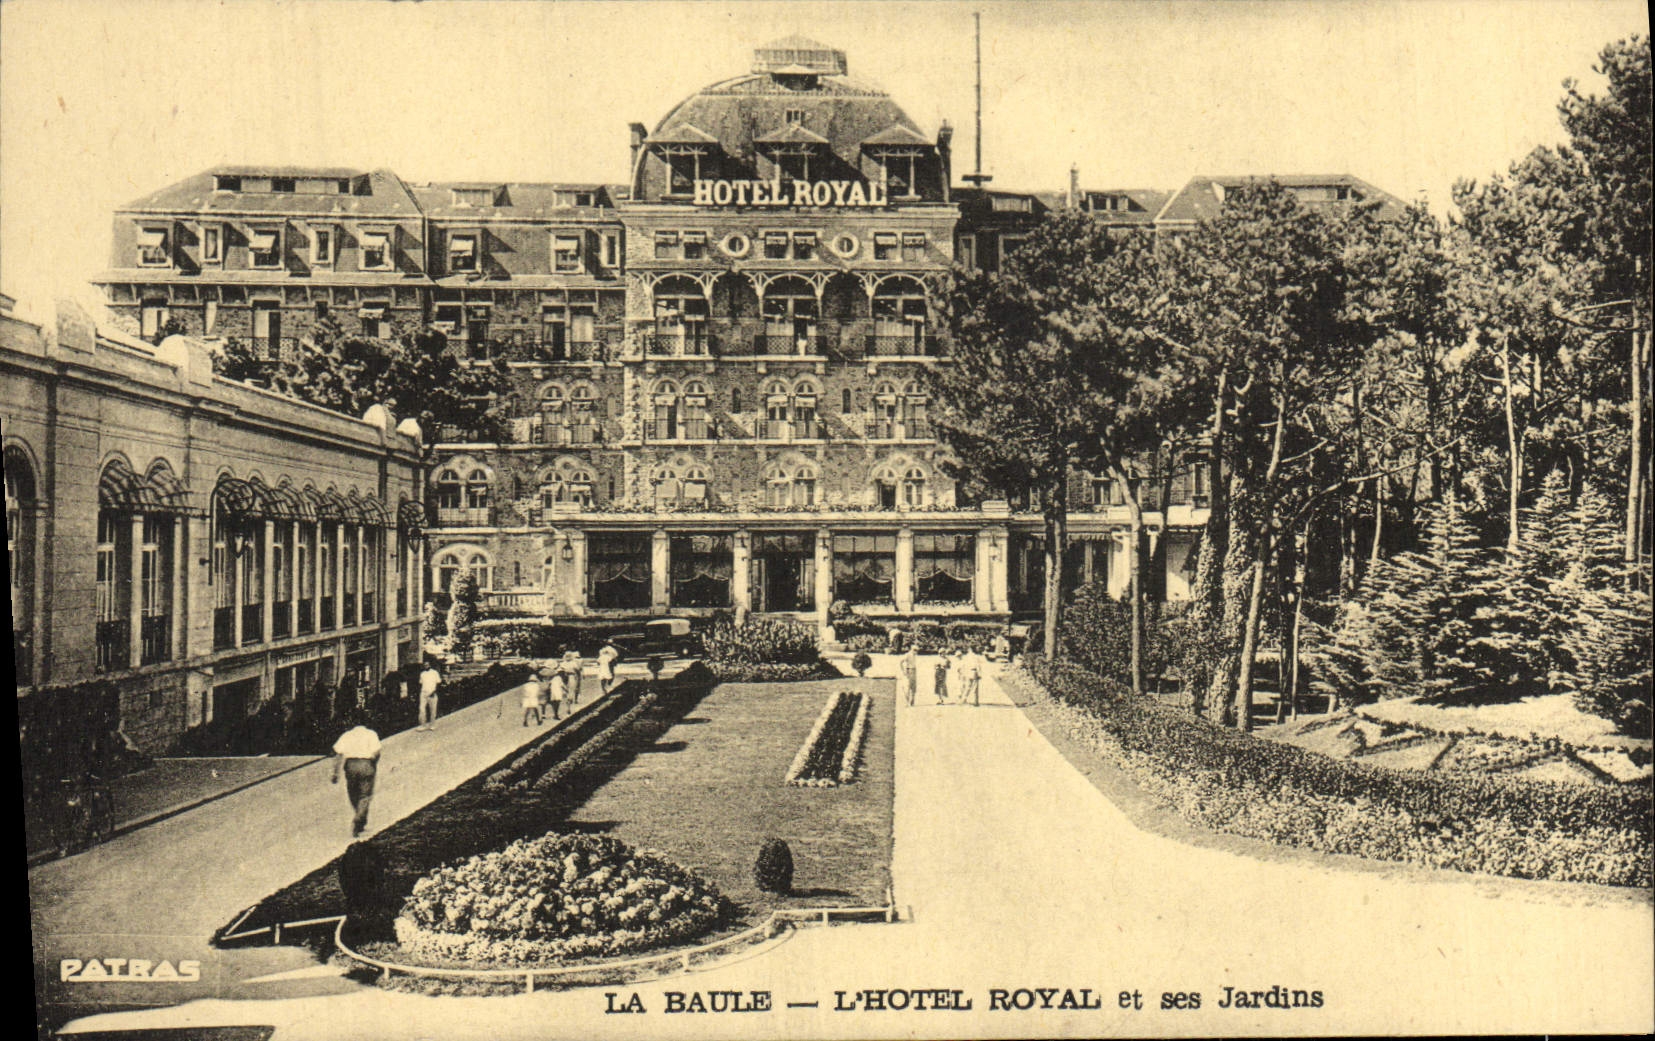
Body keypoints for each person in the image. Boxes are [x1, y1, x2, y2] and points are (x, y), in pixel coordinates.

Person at [331, 720, 382, 837]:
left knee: (353, 793)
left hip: (351, 765)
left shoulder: (347, 735)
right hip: (366, 764)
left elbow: (338, 754)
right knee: (365, 795)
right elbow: (377, 752)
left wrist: (335, 772)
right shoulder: (371, 734)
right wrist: (374, 763)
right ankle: (359, 818)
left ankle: (360, 819)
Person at [417, 663, 442, 732]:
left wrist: (434, 692)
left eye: (427, 665)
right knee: (422, 709)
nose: (426, 666)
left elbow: (438, 682)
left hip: (432, 693)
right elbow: (421, 683)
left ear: (430, 665)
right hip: (423, 693)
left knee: (433, 710)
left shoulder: (434, 673)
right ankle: (423, 725)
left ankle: (432, 725)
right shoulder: (422, 674)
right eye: (425, 665)